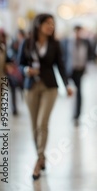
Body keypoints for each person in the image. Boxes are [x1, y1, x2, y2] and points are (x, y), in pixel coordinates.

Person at [18, 13, 73, 180]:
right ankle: (41, 157)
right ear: (38, 25)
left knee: (42, 122)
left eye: (53, 24)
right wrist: (26, 70)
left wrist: (67, 84)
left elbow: (60, 65)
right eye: (48, 23)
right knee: (34, 124)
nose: (51, 26)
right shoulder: (27, 42)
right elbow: (19, 63)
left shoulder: (55, 44)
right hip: (31, 87)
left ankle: (39, 159)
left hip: (50, 86)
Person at [62, 25, 92, 126]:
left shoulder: (85, 42)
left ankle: (77, 115)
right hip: (69, 70)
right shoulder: (66, 42)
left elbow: (90, 55)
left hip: (79, 70)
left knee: (79, 92)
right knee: (69, 91)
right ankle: (71, 111)